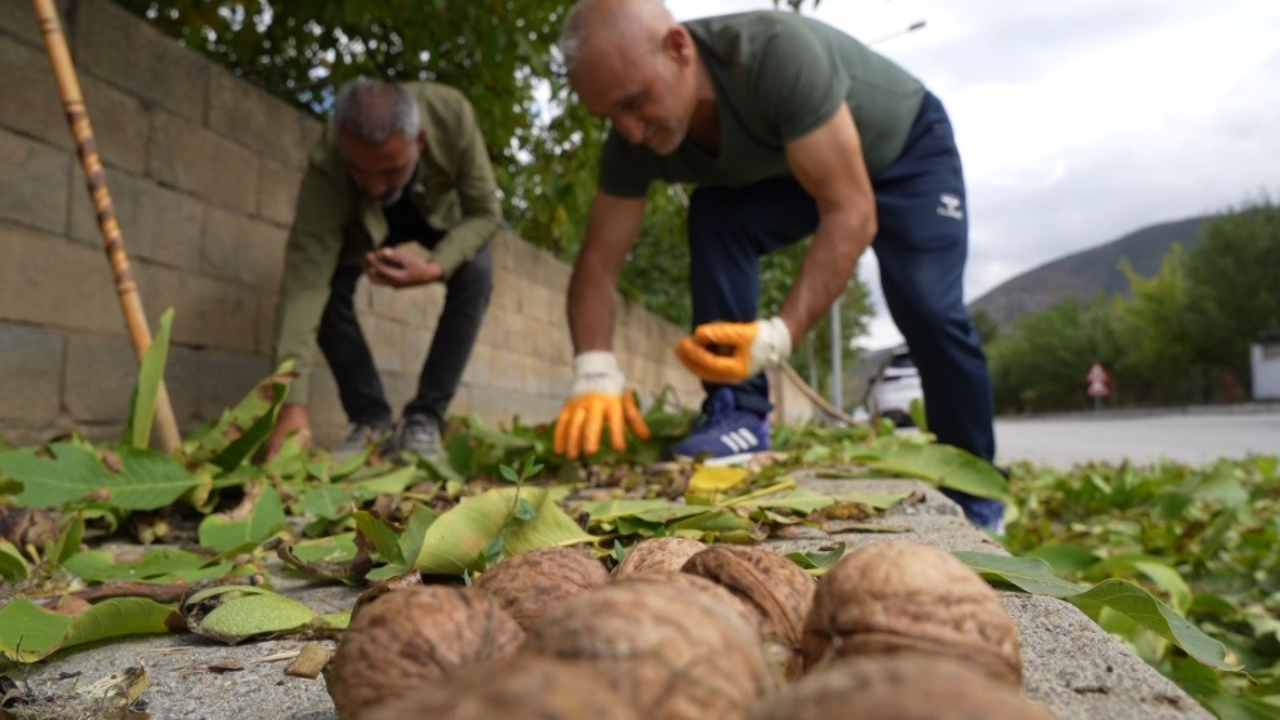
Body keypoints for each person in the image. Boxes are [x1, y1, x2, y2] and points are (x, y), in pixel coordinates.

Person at [551, 0, 1004, 530]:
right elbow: (598, 265)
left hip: (904, 154)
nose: (629, 131)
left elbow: (852, 213)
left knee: (927, 306)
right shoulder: (633, 140)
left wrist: (778, 334)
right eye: (611, 117)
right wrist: (594, 369)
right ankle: (738, 412)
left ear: (678, 49)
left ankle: (978, 494)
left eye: (635, 103)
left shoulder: (774, 56)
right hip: (797, 168)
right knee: (717, 214)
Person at [263, 78, 502, 461]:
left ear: (419, 142)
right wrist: (291, 404)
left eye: (390, 170)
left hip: (438, 217)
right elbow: (304, 280)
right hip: (363, 227)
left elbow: (486, 213)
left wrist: (434, 267)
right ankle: (371, 421)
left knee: (476, 270)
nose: (375, 187)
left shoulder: (451, 115)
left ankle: (425, 419)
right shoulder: (329, 160)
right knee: (325, 291)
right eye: (360, 171)